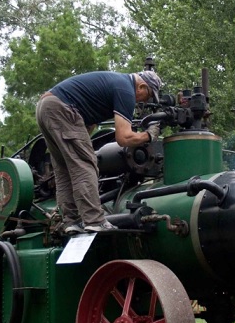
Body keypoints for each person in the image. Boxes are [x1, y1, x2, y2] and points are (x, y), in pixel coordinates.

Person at [36, 70, 163, 234]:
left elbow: (90, 121)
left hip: (46, 106)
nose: (145, 101)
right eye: (148, 95)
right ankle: (95, 220)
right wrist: (148, 136)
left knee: (64, 169)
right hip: (62, 108)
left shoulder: (116, 83)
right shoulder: (126, 90)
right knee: (86, 165)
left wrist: (78, 143)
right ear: (142, 86)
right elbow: (123, 138)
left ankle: (71, 222)